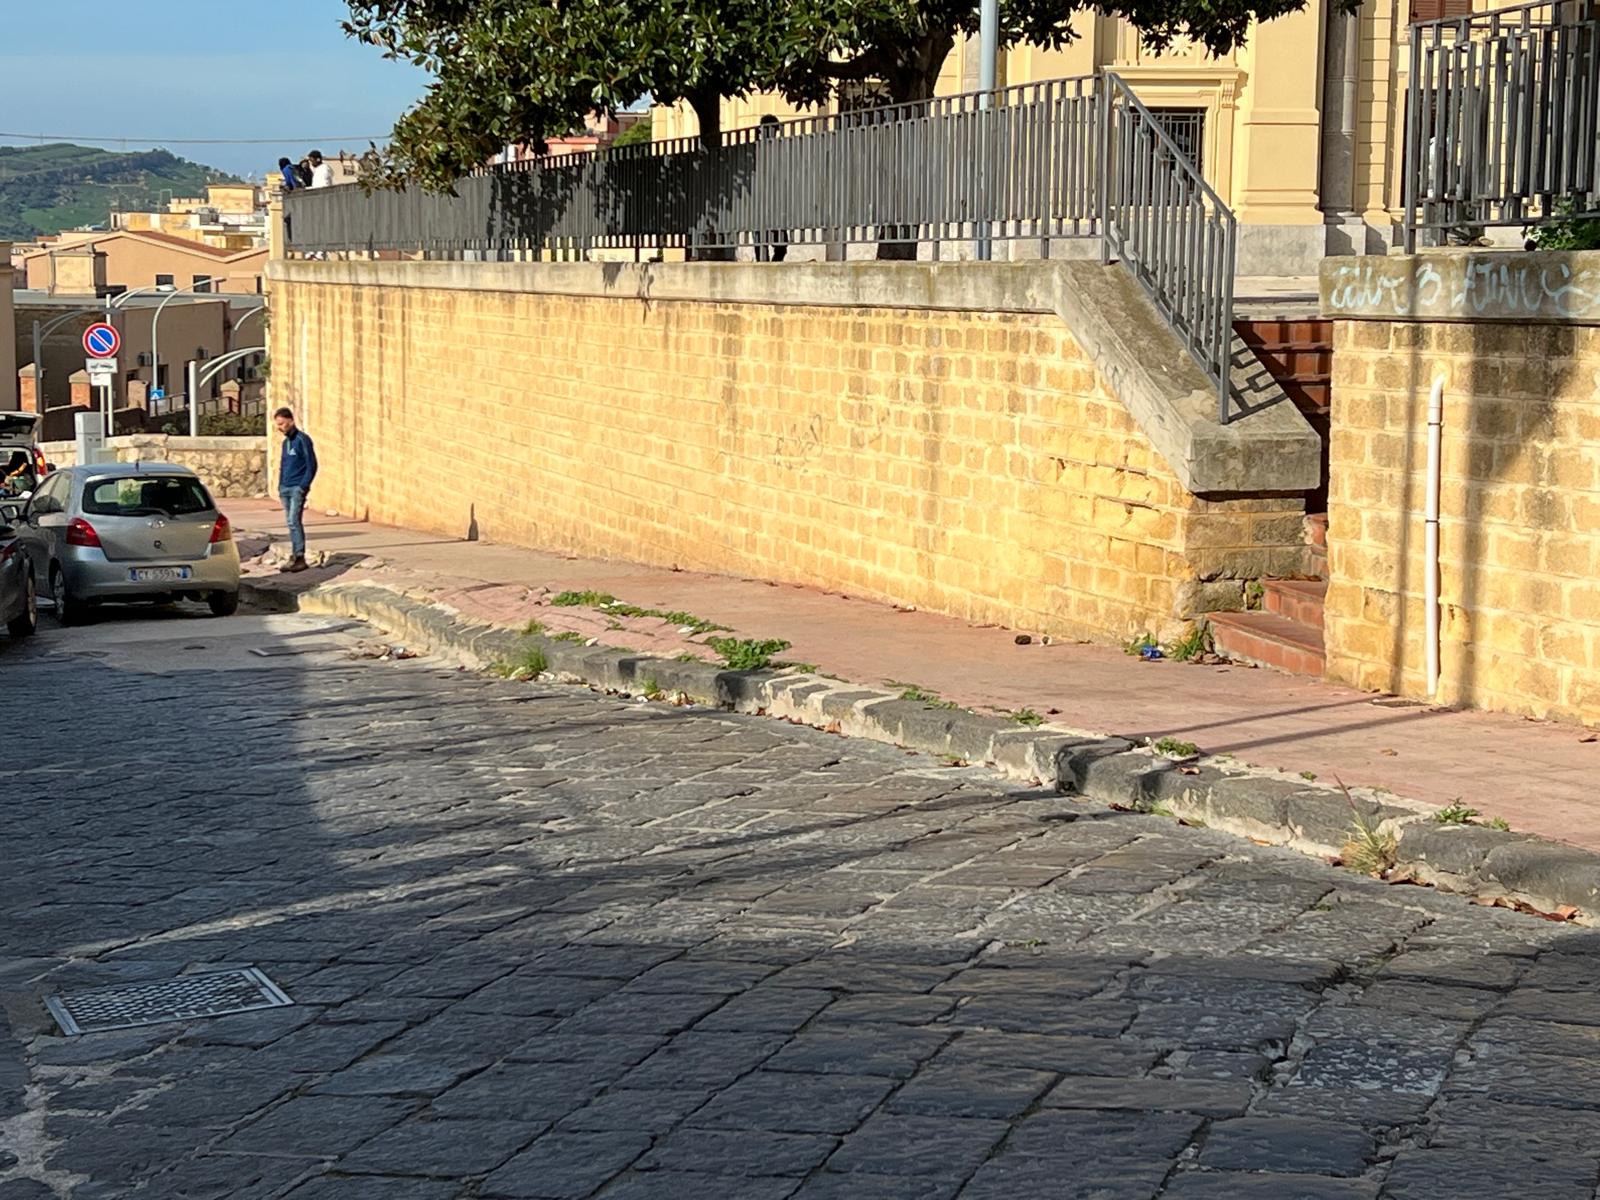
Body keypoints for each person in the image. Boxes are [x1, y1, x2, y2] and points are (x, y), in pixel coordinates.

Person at [274, 407, 318, 573]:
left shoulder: (302, 440)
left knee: (294, 521)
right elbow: (283, 465)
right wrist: (280, 485)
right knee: (290, 523)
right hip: (285, 487)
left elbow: (311, 464)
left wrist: (303, 485)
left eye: (282, 423)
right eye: (278, 424)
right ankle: (294, 555)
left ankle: (300, 557)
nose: (280, 427)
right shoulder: (285, 443)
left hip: (297, 487)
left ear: (291, 421)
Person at [754, 116, 789, 263]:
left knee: (777, 245)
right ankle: (768, 265)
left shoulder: (777, 147)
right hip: (767, 201)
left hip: (770, 202)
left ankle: (767, 266)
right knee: (773, 244)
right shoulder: (761, 148)